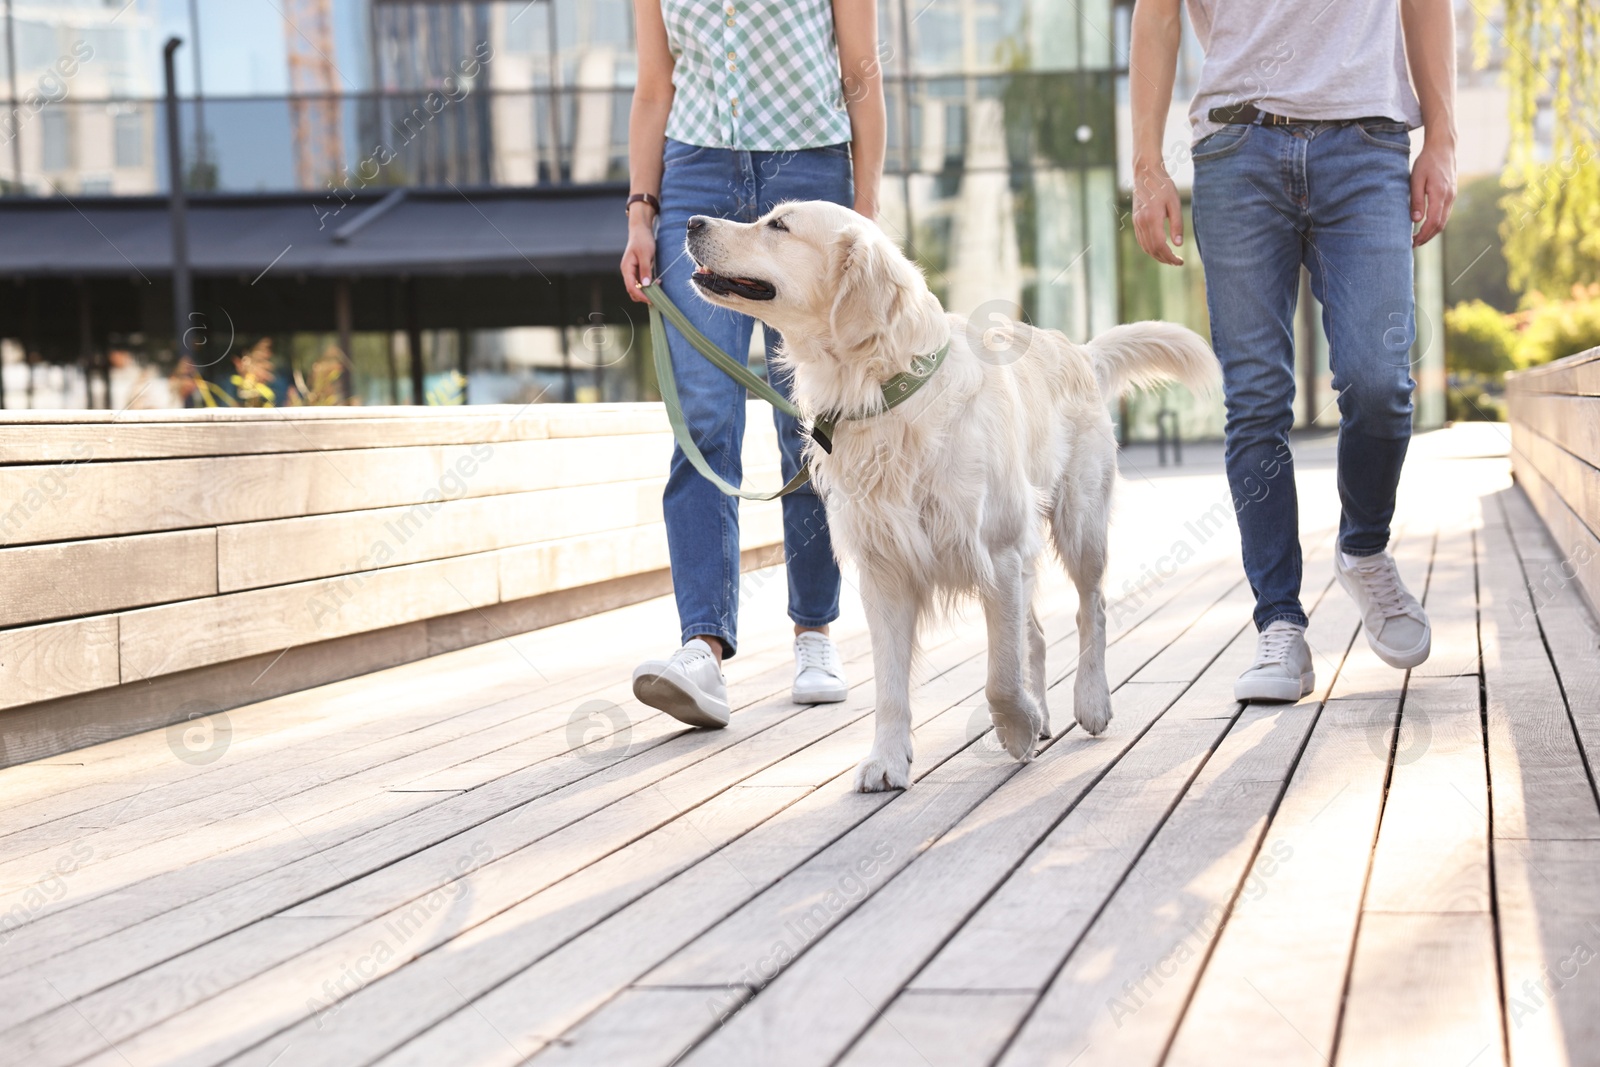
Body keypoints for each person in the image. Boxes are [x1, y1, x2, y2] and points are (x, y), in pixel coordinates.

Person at [1130, 0, 1456, 701]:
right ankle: (1279, 622)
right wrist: (1148, 165)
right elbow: (1156, 16)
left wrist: (1444, 138)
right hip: (1235, 144)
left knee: (1380, 381)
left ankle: (1364, 547)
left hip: (1366, 140)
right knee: (1255, 400)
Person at [619, 0, 886, 727]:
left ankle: (814, 630)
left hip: (809, 172)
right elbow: (654, 86)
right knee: (703, 417)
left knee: (807, 416)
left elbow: (860, 71)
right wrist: (641, 215)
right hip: (695, 175)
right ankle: (701, 646)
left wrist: (862, 213)